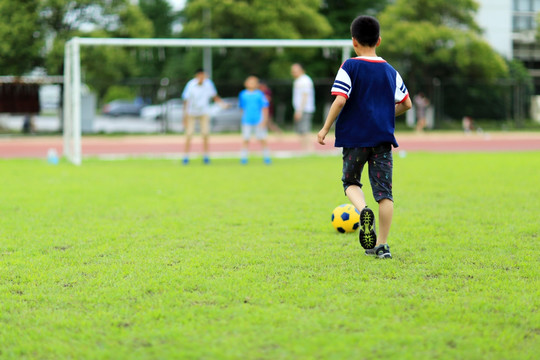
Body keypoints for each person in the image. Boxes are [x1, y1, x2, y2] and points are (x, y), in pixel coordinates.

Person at [317, 15, 412, 259]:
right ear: (379, 40)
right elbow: (406, 103)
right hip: (382, 140)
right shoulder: (391, 71)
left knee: (350, 182)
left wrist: (325, 128)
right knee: (385, 193)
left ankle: (362, 210)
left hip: (354, 138)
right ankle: (382, 245)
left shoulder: (349, 66)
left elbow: (340, 99)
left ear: (354, 41)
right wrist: (384, 116)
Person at [181, 69, 225, 165]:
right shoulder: (191, 85)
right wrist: (184, 116)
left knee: (205, 134)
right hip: (191, 112)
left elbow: (214, 96)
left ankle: (206, 156)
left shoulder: (208, 84)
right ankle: (185, 156)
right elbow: (186, 100)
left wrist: (222, 104)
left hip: (204, 112)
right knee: (189, 134)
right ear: (197, 76)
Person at [239, 76, 271, 165]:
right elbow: (242, 108)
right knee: (246, 139)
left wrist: (264, 120)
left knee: (262, 139)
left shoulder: (260, 94)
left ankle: (266, 157)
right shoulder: (243, 94)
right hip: (247, 120)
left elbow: (265, 107)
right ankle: (244, 158)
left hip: (258, 120)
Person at [291, 63, 315, 151]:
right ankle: (304, 149)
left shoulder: (305, 80)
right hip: (300, 109)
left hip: (305, 109)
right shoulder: (298, 80)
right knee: (301, 130)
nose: (293, 73)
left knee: (305, 130)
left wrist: (299, 110)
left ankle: (309, 149)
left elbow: (305, 96)